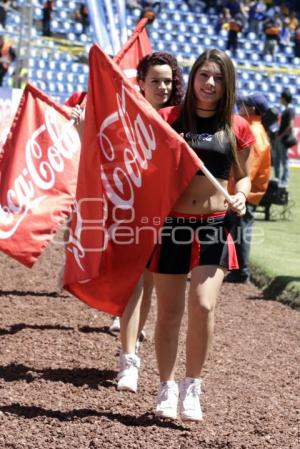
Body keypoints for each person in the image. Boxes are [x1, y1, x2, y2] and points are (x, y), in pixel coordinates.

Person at [147, 48, 255, 421]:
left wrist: (240, 193)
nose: (210, 84)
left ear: (227, 83)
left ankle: (193, 386)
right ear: (191, 79)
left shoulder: (237, 127)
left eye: (218, 77)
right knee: (169, 313)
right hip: (172, 225)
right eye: (204, 75)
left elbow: (243, 174)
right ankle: (166, 387)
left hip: (214, 225)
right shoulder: (167, 119)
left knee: (204, 305)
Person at [116, 52, 185, 393]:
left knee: (150, 287)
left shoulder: (182, 120)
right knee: (134, 286)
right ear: (140, 82)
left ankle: (134, 348)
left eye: (168, 81)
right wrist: (84, 123)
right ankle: (128, 360)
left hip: (171, 216)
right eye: (155, 81)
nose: (162, 87)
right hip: (134, 211)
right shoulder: (126, 116)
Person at [225, 92, 271, 284]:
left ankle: (241, 271)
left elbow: (247, 171)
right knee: (237, 230)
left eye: (242, 104)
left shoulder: (253, 132)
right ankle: (235, 268)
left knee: (242, 231)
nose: (239, 107)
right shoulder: (256, 129)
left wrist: (238, 193)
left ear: (252, 109)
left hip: (246, 194)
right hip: (246, 192)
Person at [273, 88, 296, 188]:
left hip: (283, 139)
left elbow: (291, 126)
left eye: (281, 98)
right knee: (277, 160)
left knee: (284, 160)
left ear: (284, 98)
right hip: (280, 139)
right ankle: (277, 180)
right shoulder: (287, 110)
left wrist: (280, 136)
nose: (280, 99)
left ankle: (284, 181)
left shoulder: (290, 110)